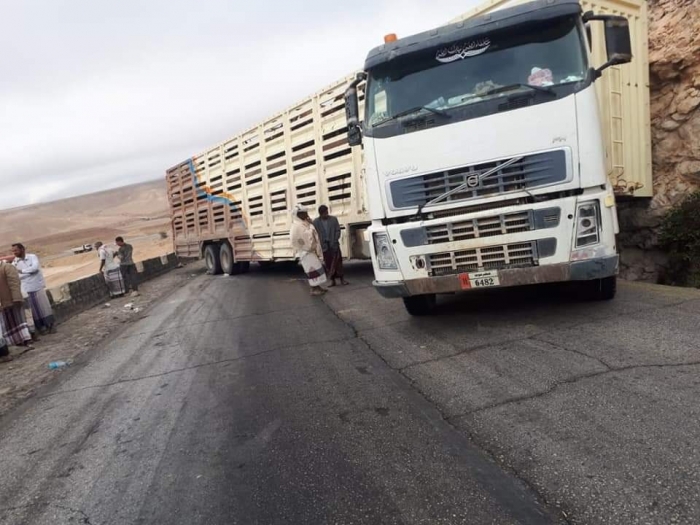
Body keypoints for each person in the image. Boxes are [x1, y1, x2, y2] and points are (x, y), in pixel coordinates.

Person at [12, 243, 56, 334]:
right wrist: (28, 273)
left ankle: (51, 326)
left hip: (37, 286)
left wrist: (22, 271)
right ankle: (41, 328)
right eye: (13, 251)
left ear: (22, 249)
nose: (14, 252)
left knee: (44, 307)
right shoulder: (15, 262)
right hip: (26, 289)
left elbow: (35, 268)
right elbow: (15, 275)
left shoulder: (32, 257)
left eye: (16, 250)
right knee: (33, 311)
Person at [290, 204, 327, 296]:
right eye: (304, 213)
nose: (306, 215)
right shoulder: (297, 226)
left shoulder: (303, 223)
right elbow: (307, 237)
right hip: (306, 252)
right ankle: (314, 289)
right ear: (298, 214)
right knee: (312, 270)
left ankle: (317, 286)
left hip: (310, 252)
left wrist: (310, 224)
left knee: (317, 268)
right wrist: (311, 226)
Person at [0, 260, 32, 353]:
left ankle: (25, 341)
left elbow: (14, 284)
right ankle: (15, 342)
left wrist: (16, 298)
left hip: (12, 301)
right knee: (8, 324)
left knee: (18, 321)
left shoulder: (7, 267)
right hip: (3, 303)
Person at [313, 205, 348, 287]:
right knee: (328, 263)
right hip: (325, 246)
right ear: (320, 214)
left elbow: (338, 230)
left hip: (334, 244)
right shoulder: (316, 222)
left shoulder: (333, 219)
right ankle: (332, 280)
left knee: (338, 262)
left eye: (327, 212)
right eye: (324, 213)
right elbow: (315, 233)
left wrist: (335, 240)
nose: (326, 214)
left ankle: (342, 279)